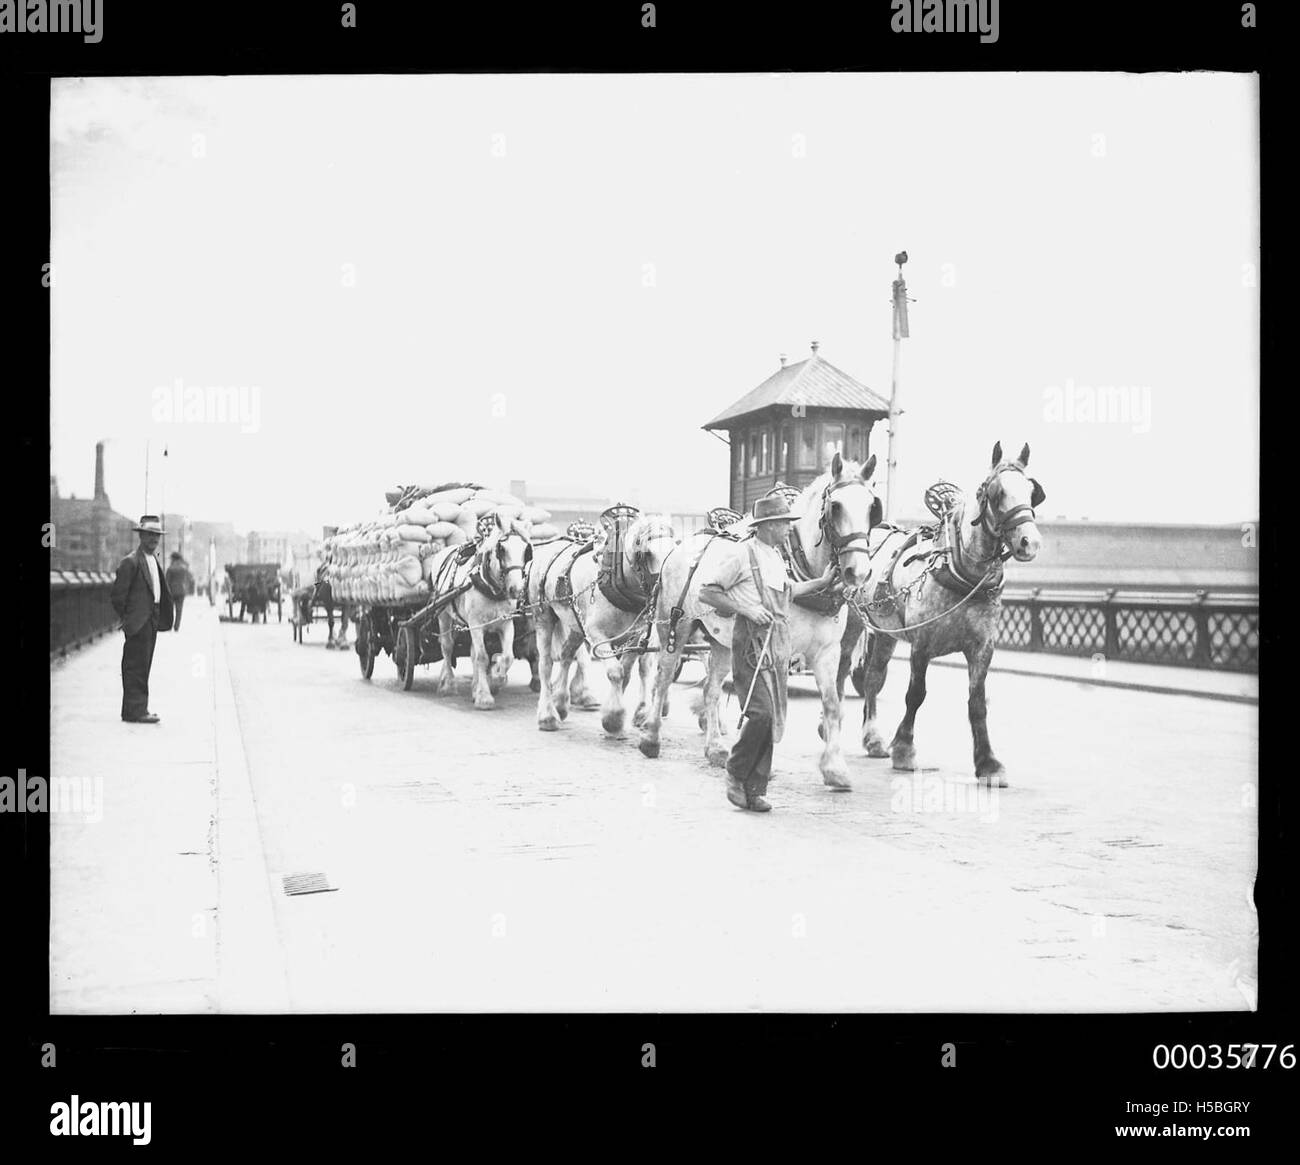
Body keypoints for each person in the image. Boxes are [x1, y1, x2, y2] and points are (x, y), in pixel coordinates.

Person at [698, 495, 837, 812]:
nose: (789, 530)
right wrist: (746, 608)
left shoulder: (774, 556)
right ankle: (735, 772)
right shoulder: (741, 554)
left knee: (772, 718)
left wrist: (822, 582)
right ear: (769, 525)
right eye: (785, 524)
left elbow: (789, 592)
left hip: (777, 642)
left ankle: (754, 790)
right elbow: (707, 591)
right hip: (751, 642)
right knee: (760, 713)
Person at [110, 516, 175, 724]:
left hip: (151, 619)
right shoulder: (130, 562)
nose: (154, 539)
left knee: (143, 665)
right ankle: (135, 711)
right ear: (141, 536)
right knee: (135, 667)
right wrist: (130, 619)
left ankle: (137, 709)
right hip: (139, 621)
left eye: (157, 536)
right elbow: (118, 596)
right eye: (149, 535)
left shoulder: (152, 559)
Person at [165, 552, 195, 631]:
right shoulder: (184, 568)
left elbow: (166, 581)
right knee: (179, 610)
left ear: (173, 559)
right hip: (181, 591)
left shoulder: (170, 568)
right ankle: (176, 626)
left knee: (170, 609)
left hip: (171, 591)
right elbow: (189, 579)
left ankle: (169, 625)